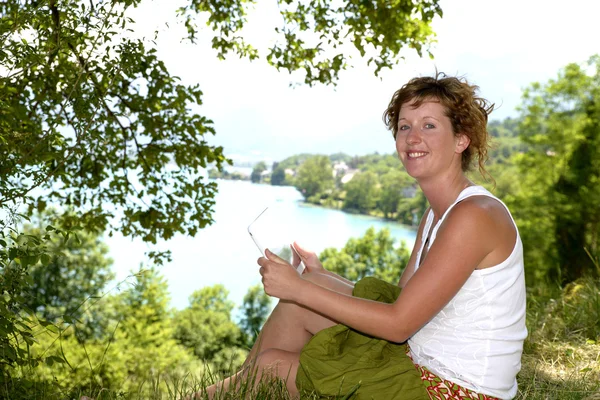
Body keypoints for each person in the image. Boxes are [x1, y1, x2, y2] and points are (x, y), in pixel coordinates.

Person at [192, 73, 527, 400]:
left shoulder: (474, 215)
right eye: (404, 126)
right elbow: (403, 298)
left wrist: (298, 287)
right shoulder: (437, 214)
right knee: (305, 296)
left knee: (272, 366)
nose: (412, 137)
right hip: (422, 354)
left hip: (456, 388)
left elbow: (399, 324)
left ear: (460, 139)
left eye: (429, 125)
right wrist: (319, 277)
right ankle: (236, 389)